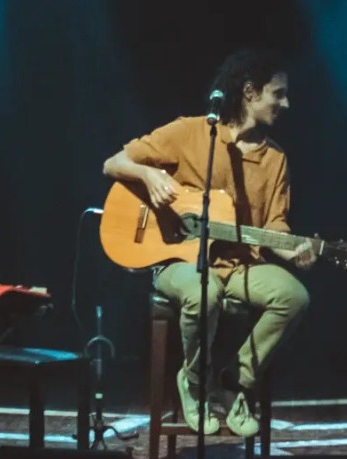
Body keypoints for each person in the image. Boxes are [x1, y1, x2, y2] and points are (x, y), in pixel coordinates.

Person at [102, 49, 314, 437]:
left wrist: (294, 250)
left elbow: (275, 225)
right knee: (204, 293)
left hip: (239, 264)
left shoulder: (276, 159)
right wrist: (149, 177)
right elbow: (114, 163)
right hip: (176, 261)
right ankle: (195, 384)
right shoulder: (191, 132)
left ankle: (233, 382)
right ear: (250, 92)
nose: (286, 103)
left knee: (293, 296)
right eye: (278, 94)